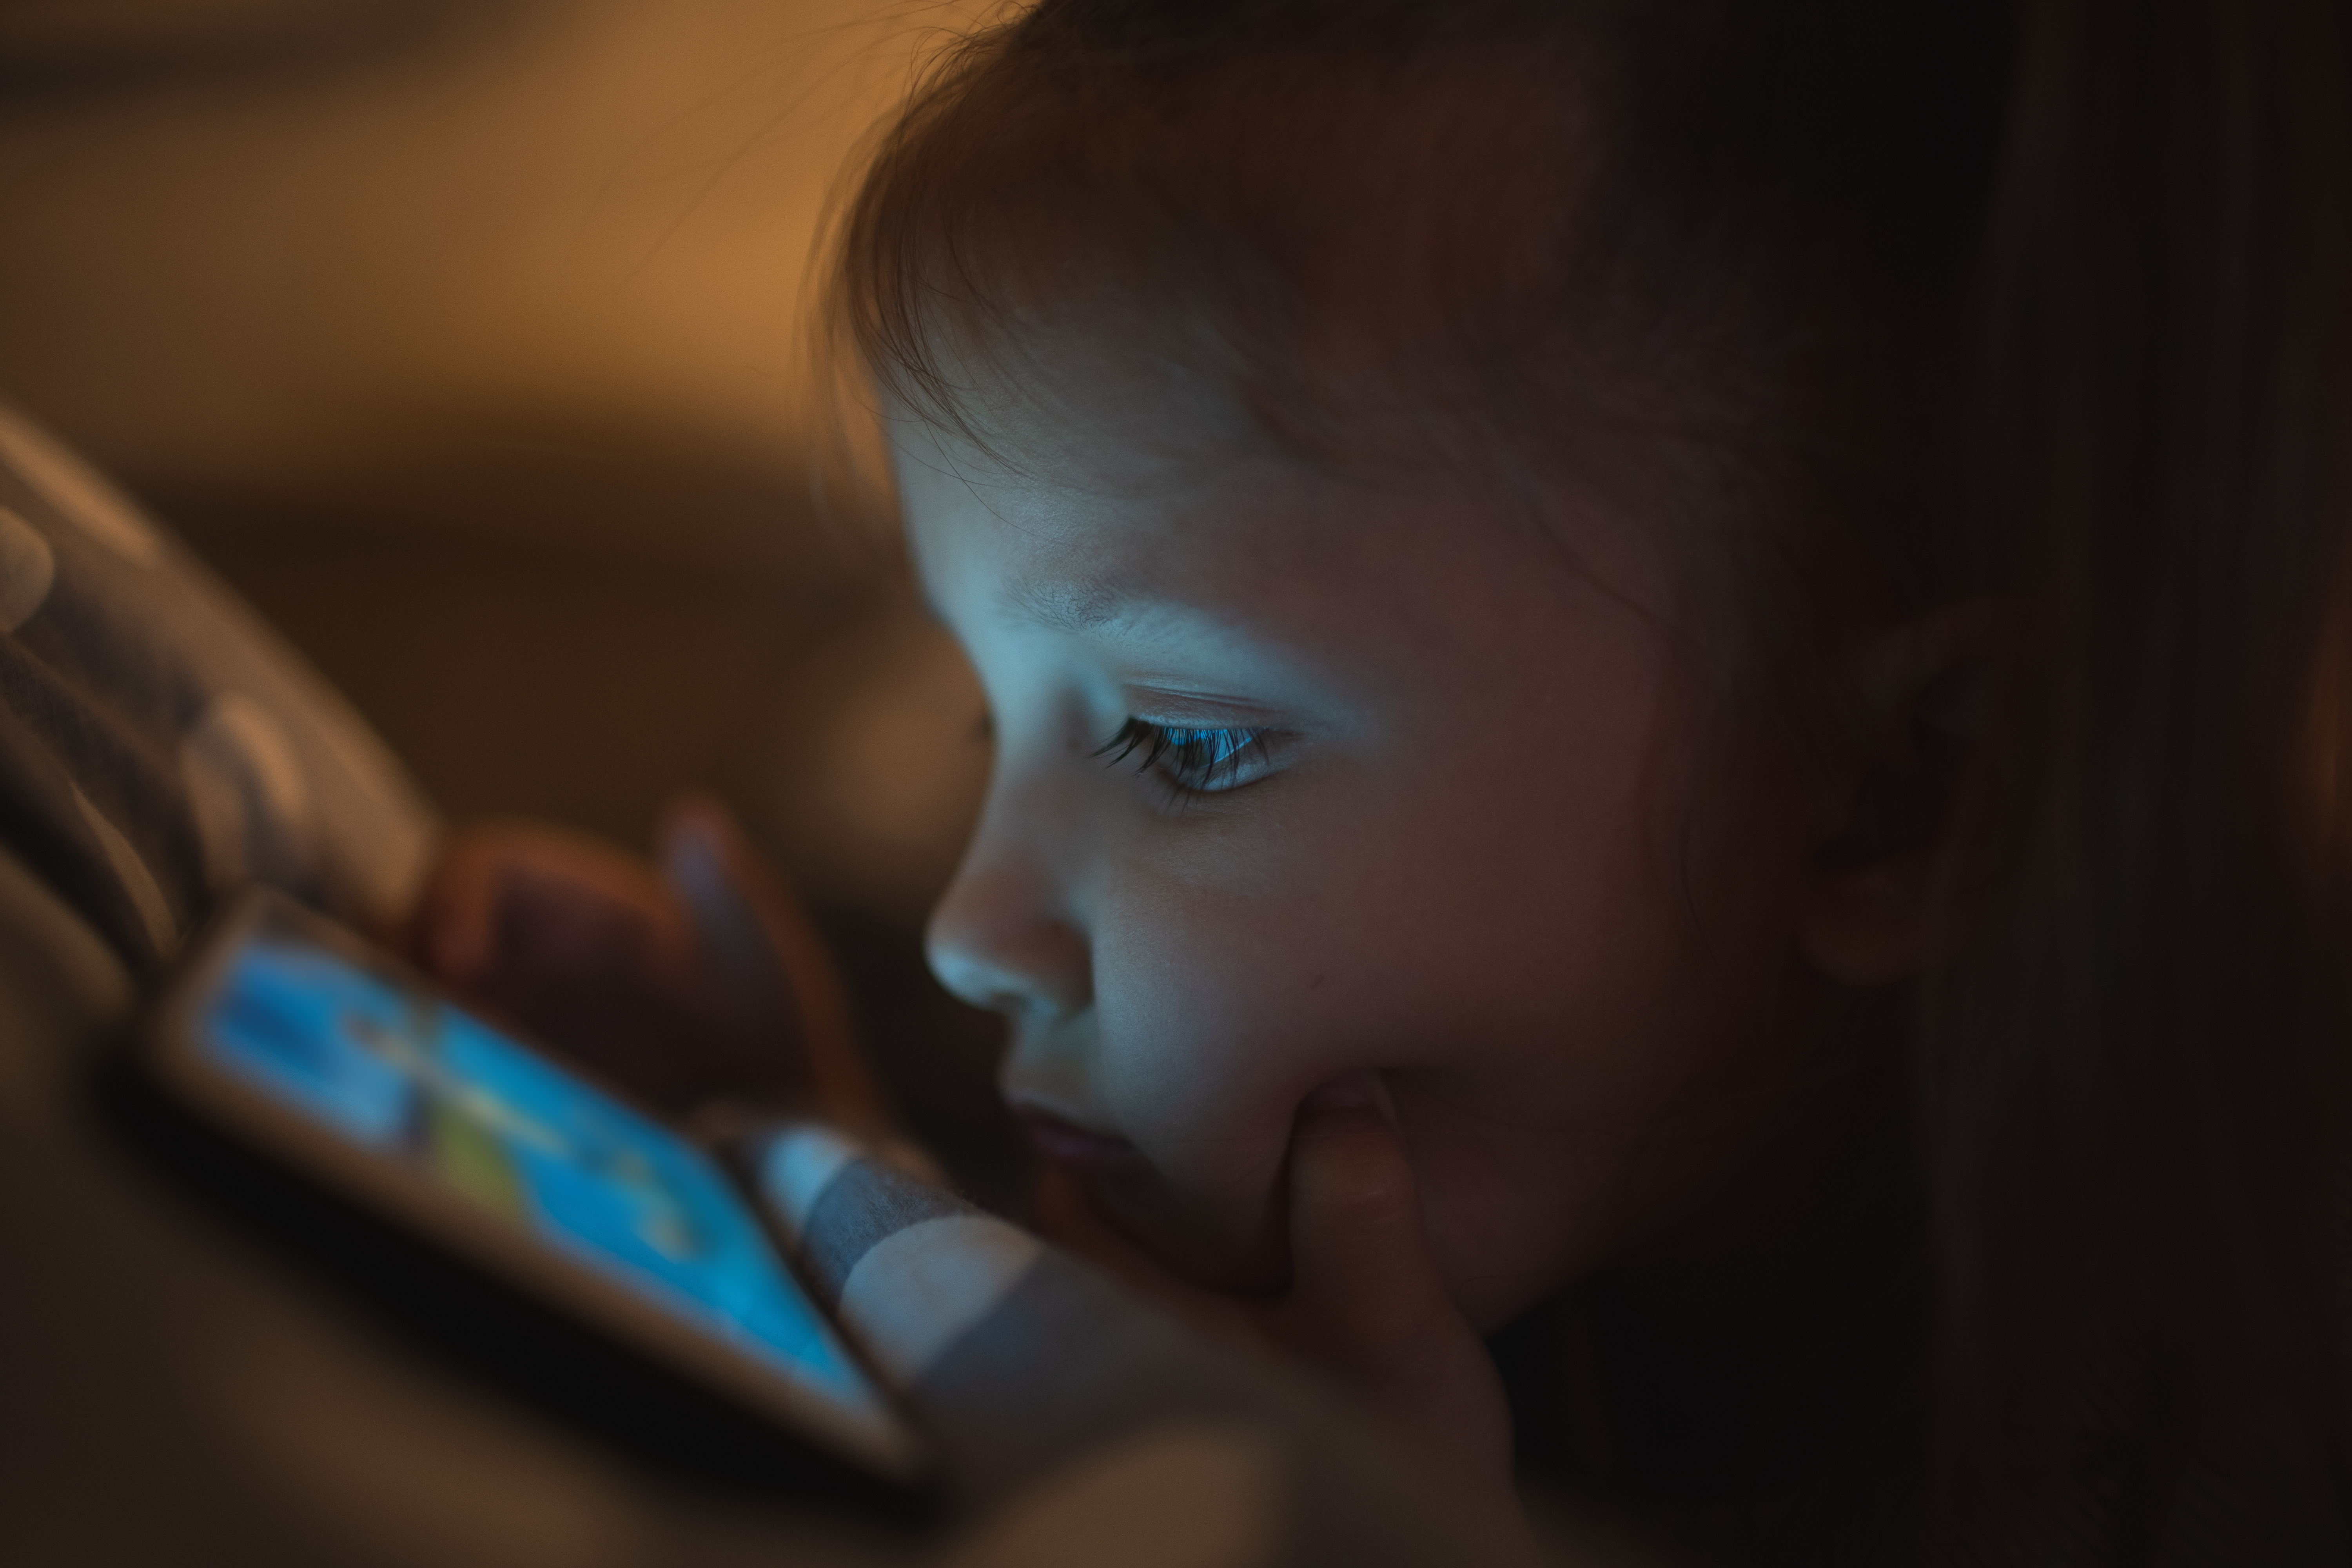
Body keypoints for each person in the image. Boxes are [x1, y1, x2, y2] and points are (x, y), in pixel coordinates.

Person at [409, 0, 2352, 1560]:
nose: (975, 928)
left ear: (1892, 800)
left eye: (1186, 743)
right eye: (989, 713)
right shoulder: (1319, 1170)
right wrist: (806, 1162)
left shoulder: (2226, 1444)